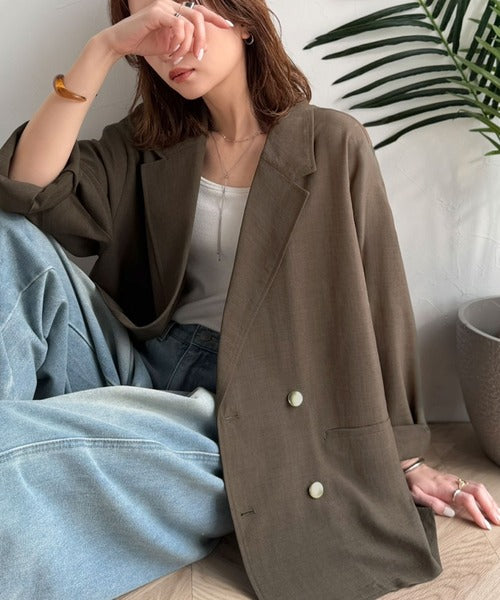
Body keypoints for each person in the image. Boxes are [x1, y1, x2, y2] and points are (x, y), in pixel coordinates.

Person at [0, 0, 498, 598]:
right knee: (6, 236)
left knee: (14, 457)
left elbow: (380, 302)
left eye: (186, 7)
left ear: (241, 17)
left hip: (245, 404)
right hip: (140, 366)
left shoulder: (328, 143)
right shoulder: (144, 145)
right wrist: (103, 49)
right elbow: (26, 187)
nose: (171, 42)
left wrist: (406, 456)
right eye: (151, 25)